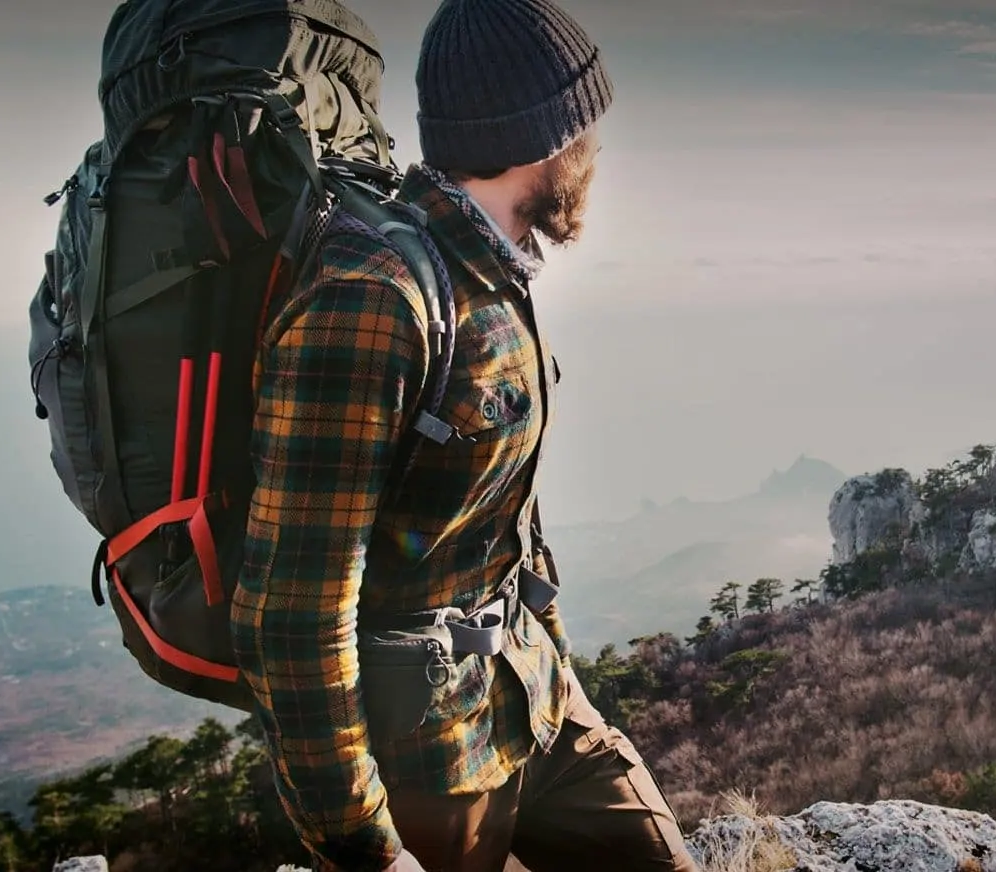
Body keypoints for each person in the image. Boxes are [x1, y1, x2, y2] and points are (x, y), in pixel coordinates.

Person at [228, 1, 701, 871]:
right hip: (431, 761)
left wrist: (551, 657)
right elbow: (291, 617)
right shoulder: (375, 299)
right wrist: (366, 848)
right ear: (543, 137)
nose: (594, 151)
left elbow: (497, 506)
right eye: (584, 127)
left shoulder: (486, 268)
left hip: (532, 703)